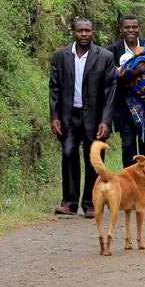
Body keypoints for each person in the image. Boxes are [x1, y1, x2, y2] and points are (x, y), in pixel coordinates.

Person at [49, 18, 116, 218]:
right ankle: (69, 202)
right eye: (80, 31)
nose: (84, 34)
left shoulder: (105, 57)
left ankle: (91, 203)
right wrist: (55, 116)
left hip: (95, 118)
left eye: (87, 31)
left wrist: (106, 120)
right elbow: (54, 88)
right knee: (68, 155)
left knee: (94, 159)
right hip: (69, 116)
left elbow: (110, 92)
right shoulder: (61, 56)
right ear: (74, 32)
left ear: (93, 32)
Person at [106, 15, 145, 204]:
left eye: (134, 27)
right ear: (121, 29)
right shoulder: (112, 52)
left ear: (139, 28)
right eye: (127, 27)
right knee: (128, 149)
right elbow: (108, 79)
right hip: (125, 110)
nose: (131, 30)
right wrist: (129, 75)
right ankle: (130, 190)